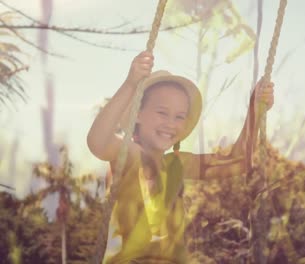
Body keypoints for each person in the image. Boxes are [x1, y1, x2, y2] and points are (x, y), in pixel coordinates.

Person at [87, 51, 274, 263]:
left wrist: (255, 110)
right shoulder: (130, 154)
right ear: (137, 114)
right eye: (162, 113)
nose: (170, 124)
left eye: (179, 117)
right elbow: (98, 142)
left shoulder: (178, 163)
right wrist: (131, 84)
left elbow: (238, 162)